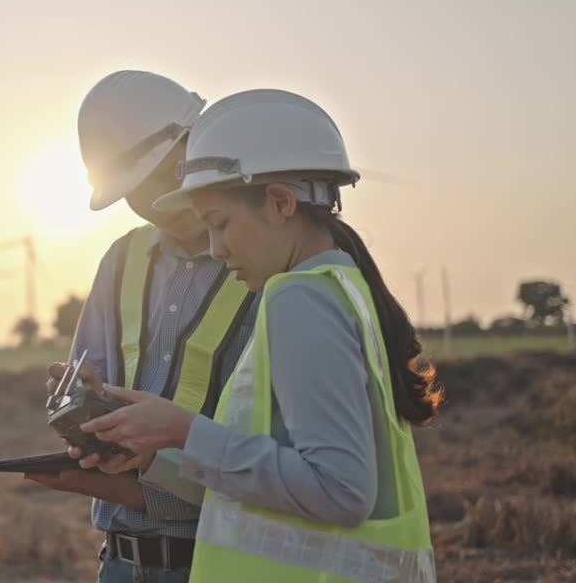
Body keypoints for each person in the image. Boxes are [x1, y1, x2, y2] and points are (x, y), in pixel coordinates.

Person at [76, 89, 442, 582]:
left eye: (220, 224)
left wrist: (183, 430)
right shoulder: (342, 283)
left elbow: (340, 490)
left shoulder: (298, 297)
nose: (216, 249)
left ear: (279, 202)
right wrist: (160, 459)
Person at [24, 70, 258, 582]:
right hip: (122, 563)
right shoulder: (122, 259)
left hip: (225, 559)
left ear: (195, 150)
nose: (155, 206)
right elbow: (97, 379)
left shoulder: (268, 262)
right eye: (134, 192)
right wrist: (85, 399)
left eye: (162, 184)